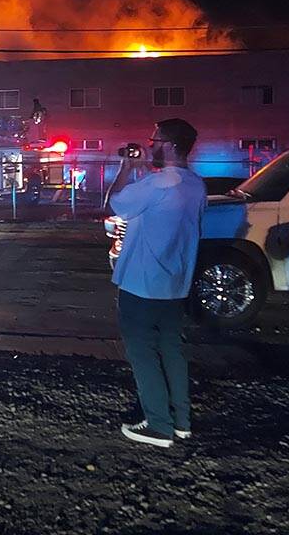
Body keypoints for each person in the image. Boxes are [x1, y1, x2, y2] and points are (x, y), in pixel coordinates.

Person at [106, 118, 206, 448]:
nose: (151, 145)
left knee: (143, 353)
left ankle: (159, 426)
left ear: (171, 146)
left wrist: (125, 167)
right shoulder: (195, 184)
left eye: (156, 140)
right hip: (175, 284)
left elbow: (117, 201)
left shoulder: (160, 183)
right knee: (171, 351)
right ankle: (181, 422)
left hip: (142, 283)